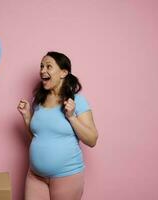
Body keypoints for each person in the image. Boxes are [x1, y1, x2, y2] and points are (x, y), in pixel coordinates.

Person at [17, 51, 98, 200]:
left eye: (48, 66)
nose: (42, 70)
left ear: (63, 72)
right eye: (41, 66)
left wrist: (71, 117)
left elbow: (92, 140)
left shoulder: (77, 101)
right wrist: (27, 116)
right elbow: (37, 136)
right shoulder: (38, 100)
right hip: (35, 177)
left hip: (67, 177)